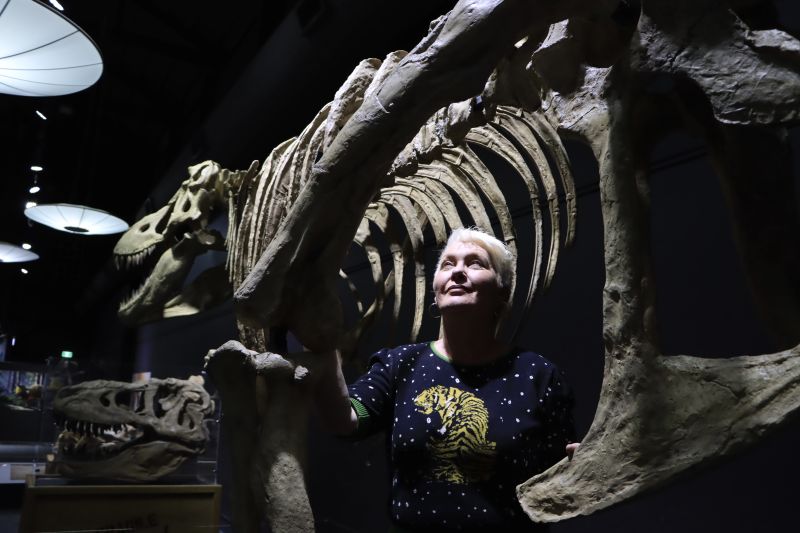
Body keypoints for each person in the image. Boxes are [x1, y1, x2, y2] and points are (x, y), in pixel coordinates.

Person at [318, 227, 578, 532]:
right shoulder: (400, 364)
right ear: (436, 290)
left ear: (502, 292)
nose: (458, 272)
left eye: (475, 264)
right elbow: (347, 419)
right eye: (447, 264)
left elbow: (560, 475)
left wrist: (582, 464)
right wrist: (322, 346)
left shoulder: (538, 375)